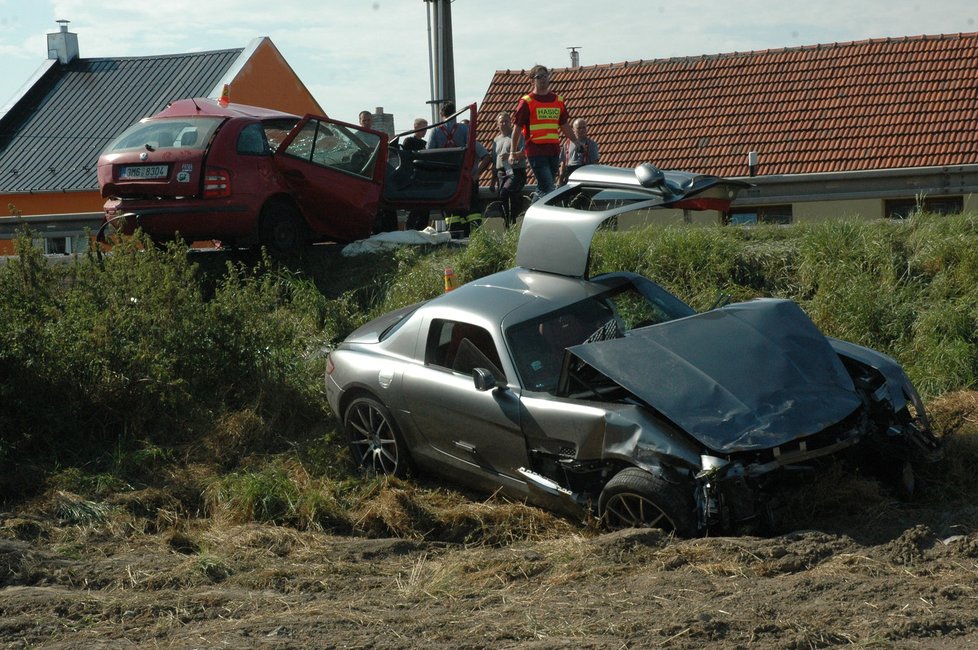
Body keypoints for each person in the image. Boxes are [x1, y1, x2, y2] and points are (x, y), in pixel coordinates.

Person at [509, 64, 578, 197]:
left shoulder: (558, 100)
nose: (543, 79)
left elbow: (565, 126)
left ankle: (532, 214)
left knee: (543, 188)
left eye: (545, 76)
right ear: (532, 81)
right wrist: (512, 152)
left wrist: (576, 142)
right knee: (548, 186)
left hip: (553, 150)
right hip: (535, 151)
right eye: (539, 76)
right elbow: (517, 129)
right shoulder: (526, 102)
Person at [489, 111, 528, 226]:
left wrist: (511, 155)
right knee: (502, 197)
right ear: (498, 124)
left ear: (511, 122)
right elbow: (494, 161)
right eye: (502, 121)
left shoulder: (517, 136)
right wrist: (492, 180)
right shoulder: (496, 140)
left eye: (506, 121)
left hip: (516, 171)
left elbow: (524, 153)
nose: (504, 123)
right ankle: (508, 223)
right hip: (502, 172)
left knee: (506, 192)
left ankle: (515, 218)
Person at [402, 118, 429, 230]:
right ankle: (410, 230)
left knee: (425, 208)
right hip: (413, 178)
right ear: (416, 128)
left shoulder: (424, 143)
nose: (425, 131)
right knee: (414, 208)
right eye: (423, 128)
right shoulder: (409, 141)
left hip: (423, 178)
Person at [559, 118, 599, 185]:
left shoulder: (591, 144)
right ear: (573, 130)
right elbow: (563, 165)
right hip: (569, 175)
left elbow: (595, 164)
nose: (582, 130)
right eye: (579, 128)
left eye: (584, 127)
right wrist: (560, 181)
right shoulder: (567, 144)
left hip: (584, 175)